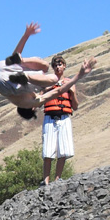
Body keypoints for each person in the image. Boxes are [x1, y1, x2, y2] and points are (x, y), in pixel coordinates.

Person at [0, 23, 96, 120]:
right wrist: (26, 35)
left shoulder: (28, 101)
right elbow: (15, 55)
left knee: (53, 77)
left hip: (5, 81)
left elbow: (58, 91)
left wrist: (79, 75)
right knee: (45, 67)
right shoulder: (27, 100)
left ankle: (25, 73)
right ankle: (24, 68)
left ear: (32, 109)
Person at [40, 55, 78, 187]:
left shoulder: (70, 82)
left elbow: (75, 106)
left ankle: (57, 179)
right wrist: (51, 88)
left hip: (64, 117)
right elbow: (39, 100)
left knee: (64, 149)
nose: (58, 67)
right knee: (48, 151)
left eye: (60, 64)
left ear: (64, 66)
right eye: (55, 65)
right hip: (50, 118)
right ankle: (45, 181)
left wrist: (72, 92)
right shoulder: (47, 83)